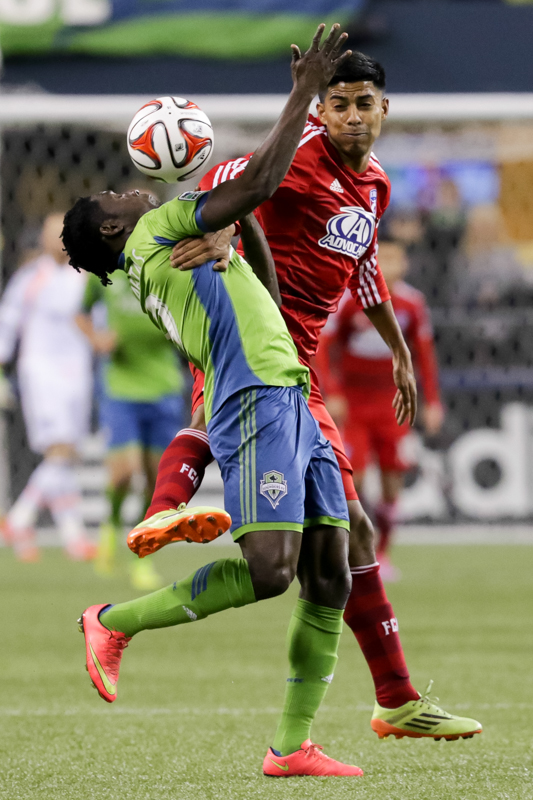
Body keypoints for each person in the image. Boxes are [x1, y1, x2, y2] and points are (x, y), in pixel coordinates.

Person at [63, 25, 386, 777]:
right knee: (272, 569)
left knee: (331, 570)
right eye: (111, 194)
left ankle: (292, 746)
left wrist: (240, 237)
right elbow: (259, 186)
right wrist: (302, 90)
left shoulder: (162, 246)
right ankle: (111, 621)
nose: (125, 185)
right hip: (254, 399)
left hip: (291, 391)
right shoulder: (159, 228)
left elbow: (249, 230)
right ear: (113, 224)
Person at [135, 52, 482, 739]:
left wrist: (401, 352)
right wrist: (215, 228)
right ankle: (160, 517)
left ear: (385, 111)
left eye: (364, 103)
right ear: (320, 111)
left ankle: (394, 700)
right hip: (250, 340)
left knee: (344, 536)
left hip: (300, 369)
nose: (352, 116)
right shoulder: (295, 158)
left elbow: (365, 266)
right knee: (291, 550)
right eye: (339, 104)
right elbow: (230, 177)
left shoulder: (376, 186)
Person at [316, 236, 444, 581]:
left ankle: (382, 554)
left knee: (392, 479)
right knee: (354, 479)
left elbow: (424, 354)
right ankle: (357, 549)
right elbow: (326, 348)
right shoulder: (351, 299)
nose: (387, 265)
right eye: (381, 257)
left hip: (392, 402)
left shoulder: (413, 303)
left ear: (405, 264)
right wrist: (335, 391)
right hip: (355, 405)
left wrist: (432, 401)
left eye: (394, 258)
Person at [76, 267, 185, 590]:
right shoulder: (103, 271)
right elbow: (80, 314)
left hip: (163, 384)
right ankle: (110, 526)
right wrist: (97, 339)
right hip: (120, 385)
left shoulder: (165, 270)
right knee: (125, 472)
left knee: (155, 478)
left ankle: (142, 554)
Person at [0, 212, 95, 561]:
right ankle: (23, 520)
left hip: (78, 373)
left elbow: (97, 321)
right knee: (58, 450)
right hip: (41, 372)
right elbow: (7, 323)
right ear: (43, 238)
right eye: (53, 234)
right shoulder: (30, 278)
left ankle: (66, 536)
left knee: (67, 454)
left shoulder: (87, 277)